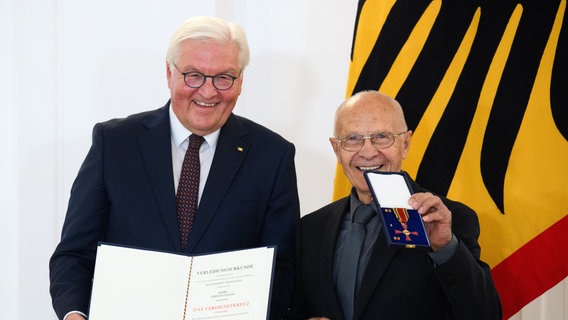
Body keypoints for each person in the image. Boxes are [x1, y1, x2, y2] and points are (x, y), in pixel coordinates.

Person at [49, 16, 300, 320]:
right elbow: (74, 254)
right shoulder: (115, 144)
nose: (208, 92)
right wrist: (74, 314)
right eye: (193, 75)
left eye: (224, 77)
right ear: (169, 73)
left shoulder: (272, 155)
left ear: (241, 80)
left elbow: (282, 267)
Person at [287, 91, 501, 320]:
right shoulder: (311, 228)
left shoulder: (447, 220)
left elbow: (486, 315)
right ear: (336, 150)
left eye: (381, 136)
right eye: (352, 139)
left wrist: (445, 248)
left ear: (405, 144)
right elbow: (292, 308)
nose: (368, 152)